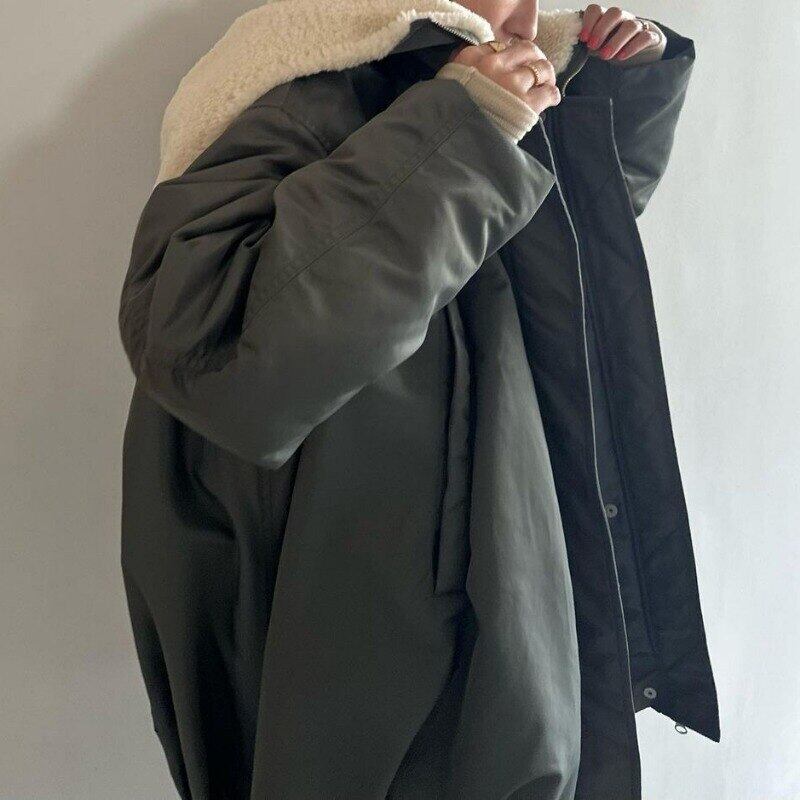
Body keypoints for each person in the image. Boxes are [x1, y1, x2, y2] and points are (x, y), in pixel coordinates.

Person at [117, 1, 719, 798]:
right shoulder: (304, 75)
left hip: (499, 576)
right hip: (375, 622)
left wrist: (612, 90)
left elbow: (532, 259)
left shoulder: (478, 68)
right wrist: (465, 125)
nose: (527, 16)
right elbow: (221, 351)